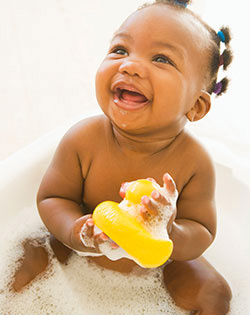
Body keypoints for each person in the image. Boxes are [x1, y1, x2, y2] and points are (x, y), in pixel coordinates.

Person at [12, 0, 233, 314]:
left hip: (160, 262)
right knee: (25, 255)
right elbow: (53, 197)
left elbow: (202, 231)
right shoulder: (82, 139)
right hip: (76, 247)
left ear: (196, 106)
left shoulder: (194, 162)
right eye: (120, 50)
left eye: (161, 59)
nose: (129, 65)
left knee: (214, 293)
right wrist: (76, 230)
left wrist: (169, 230)